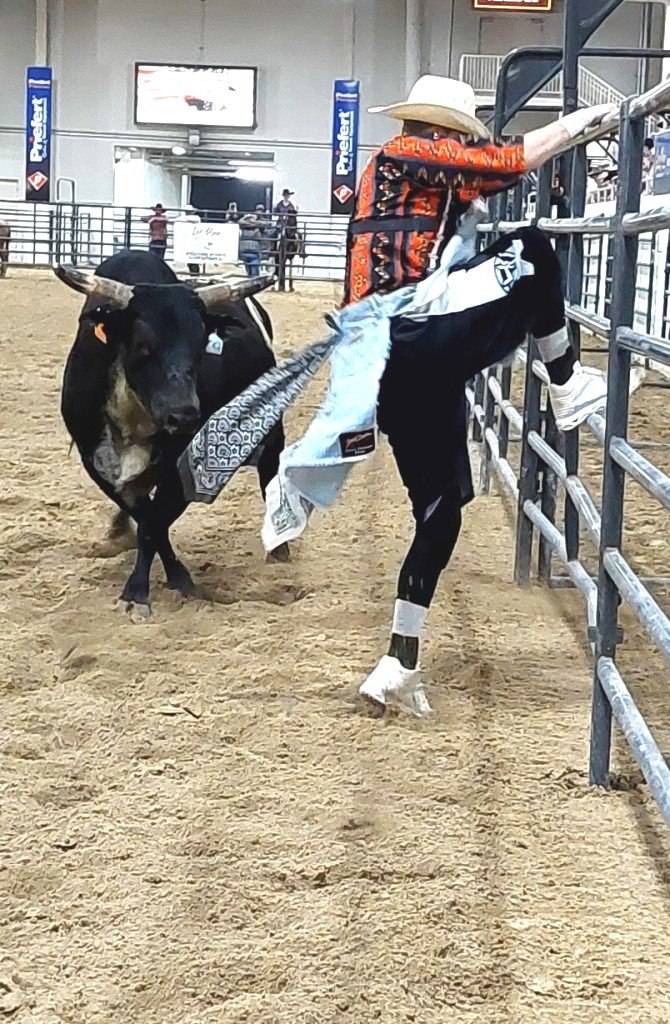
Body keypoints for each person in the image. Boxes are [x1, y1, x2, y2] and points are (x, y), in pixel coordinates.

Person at [174, 203, 201, 275]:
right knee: (193, 259)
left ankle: (194, 273)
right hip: (193, 240)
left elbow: (176, 220)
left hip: (186, 241)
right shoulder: (196, 218)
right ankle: (195, 274)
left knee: (190, 259)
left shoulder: (181, 219)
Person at [238, 209, 263, 277]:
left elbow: (240, 221)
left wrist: (246, 218)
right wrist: (254, 222)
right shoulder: (257, 229)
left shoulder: (243, 228)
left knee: (249, 272)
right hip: (254, 251)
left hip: (245, 251)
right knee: (254, 273)